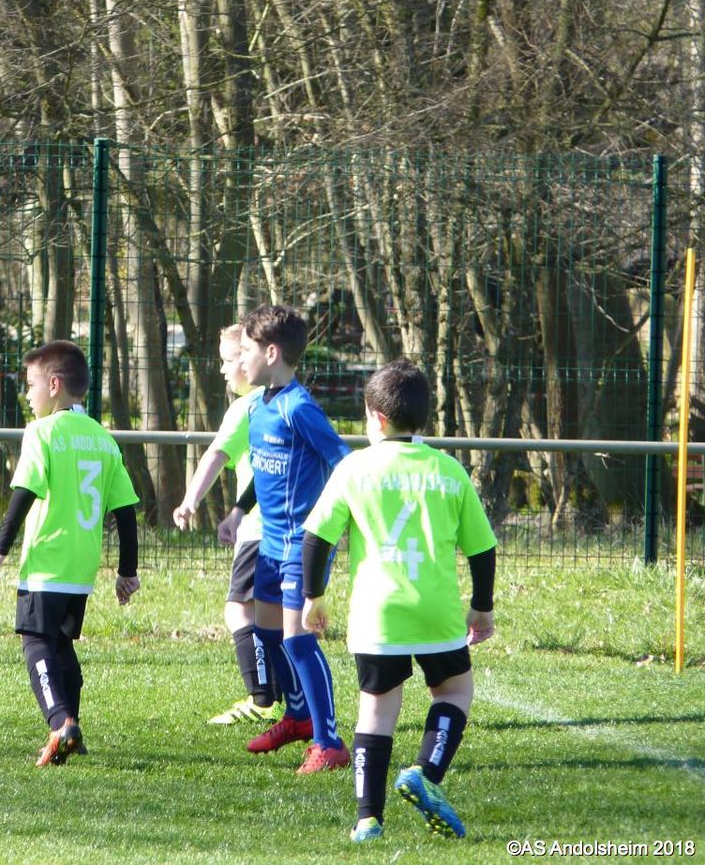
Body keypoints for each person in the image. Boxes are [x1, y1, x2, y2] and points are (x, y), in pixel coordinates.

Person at [299, 359, 497, 843]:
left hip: (377, 615)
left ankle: (368, 819)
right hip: (436, 612)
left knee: (376, 709)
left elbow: (317, 538)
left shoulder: (355, 469)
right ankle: (425, 772)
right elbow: (482, 548)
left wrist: (313, 598)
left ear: (377, 417)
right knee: (454, 692)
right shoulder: (448, 470)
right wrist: (482, 606)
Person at [0, 340, 140, 767]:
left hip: (47, 563)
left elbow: (23, 492)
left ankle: (60, 722)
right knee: (62, 645)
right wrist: (127, 570)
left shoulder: (42, 432)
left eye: (30, 384)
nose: (27, 394)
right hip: (82, 568)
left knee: (36, 642)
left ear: (53, 385)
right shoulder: (103, 439)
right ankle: (74, 728)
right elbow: (126, 510)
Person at [217, 304, 351, 774]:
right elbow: (265, 472)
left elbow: (343, 462)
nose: (240, 359)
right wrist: (238, 510)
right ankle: (297, 718)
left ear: (271, 353)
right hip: (269, 544)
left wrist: (337, 520)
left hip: (300, 543)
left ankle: (330, 743)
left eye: (247, 351)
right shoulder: (258, 406)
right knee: (268, 632)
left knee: (297, 641)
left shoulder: (299, 407)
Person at [173, 325, 282, 725]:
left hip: (259, 528)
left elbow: (216, 455)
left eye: (227, 360)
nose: (222, 370)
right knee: (276, 616)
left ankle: (262, 699)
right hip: (292, 528)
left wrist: (190, 501)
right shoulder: (288, 402)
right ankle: (286, 697)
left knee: (238, 609)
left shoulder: (247, 408)